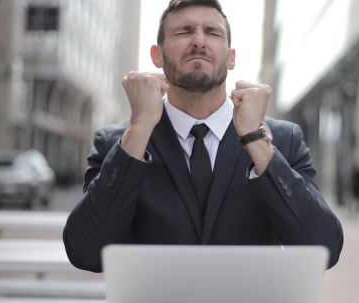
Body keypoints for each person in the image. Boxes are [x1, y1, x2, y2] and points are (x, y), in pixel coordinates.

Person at [63, 0, 343, 273]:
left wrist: (256, 139)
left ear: (231, 57)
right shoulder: (118, 144)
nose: (199, 41)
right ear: (156, 55)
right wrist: (139, 128)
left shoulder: (281, 140)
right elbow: (85, 251)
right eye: (184, 31)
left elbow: (324, 249)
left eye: (212, 32)